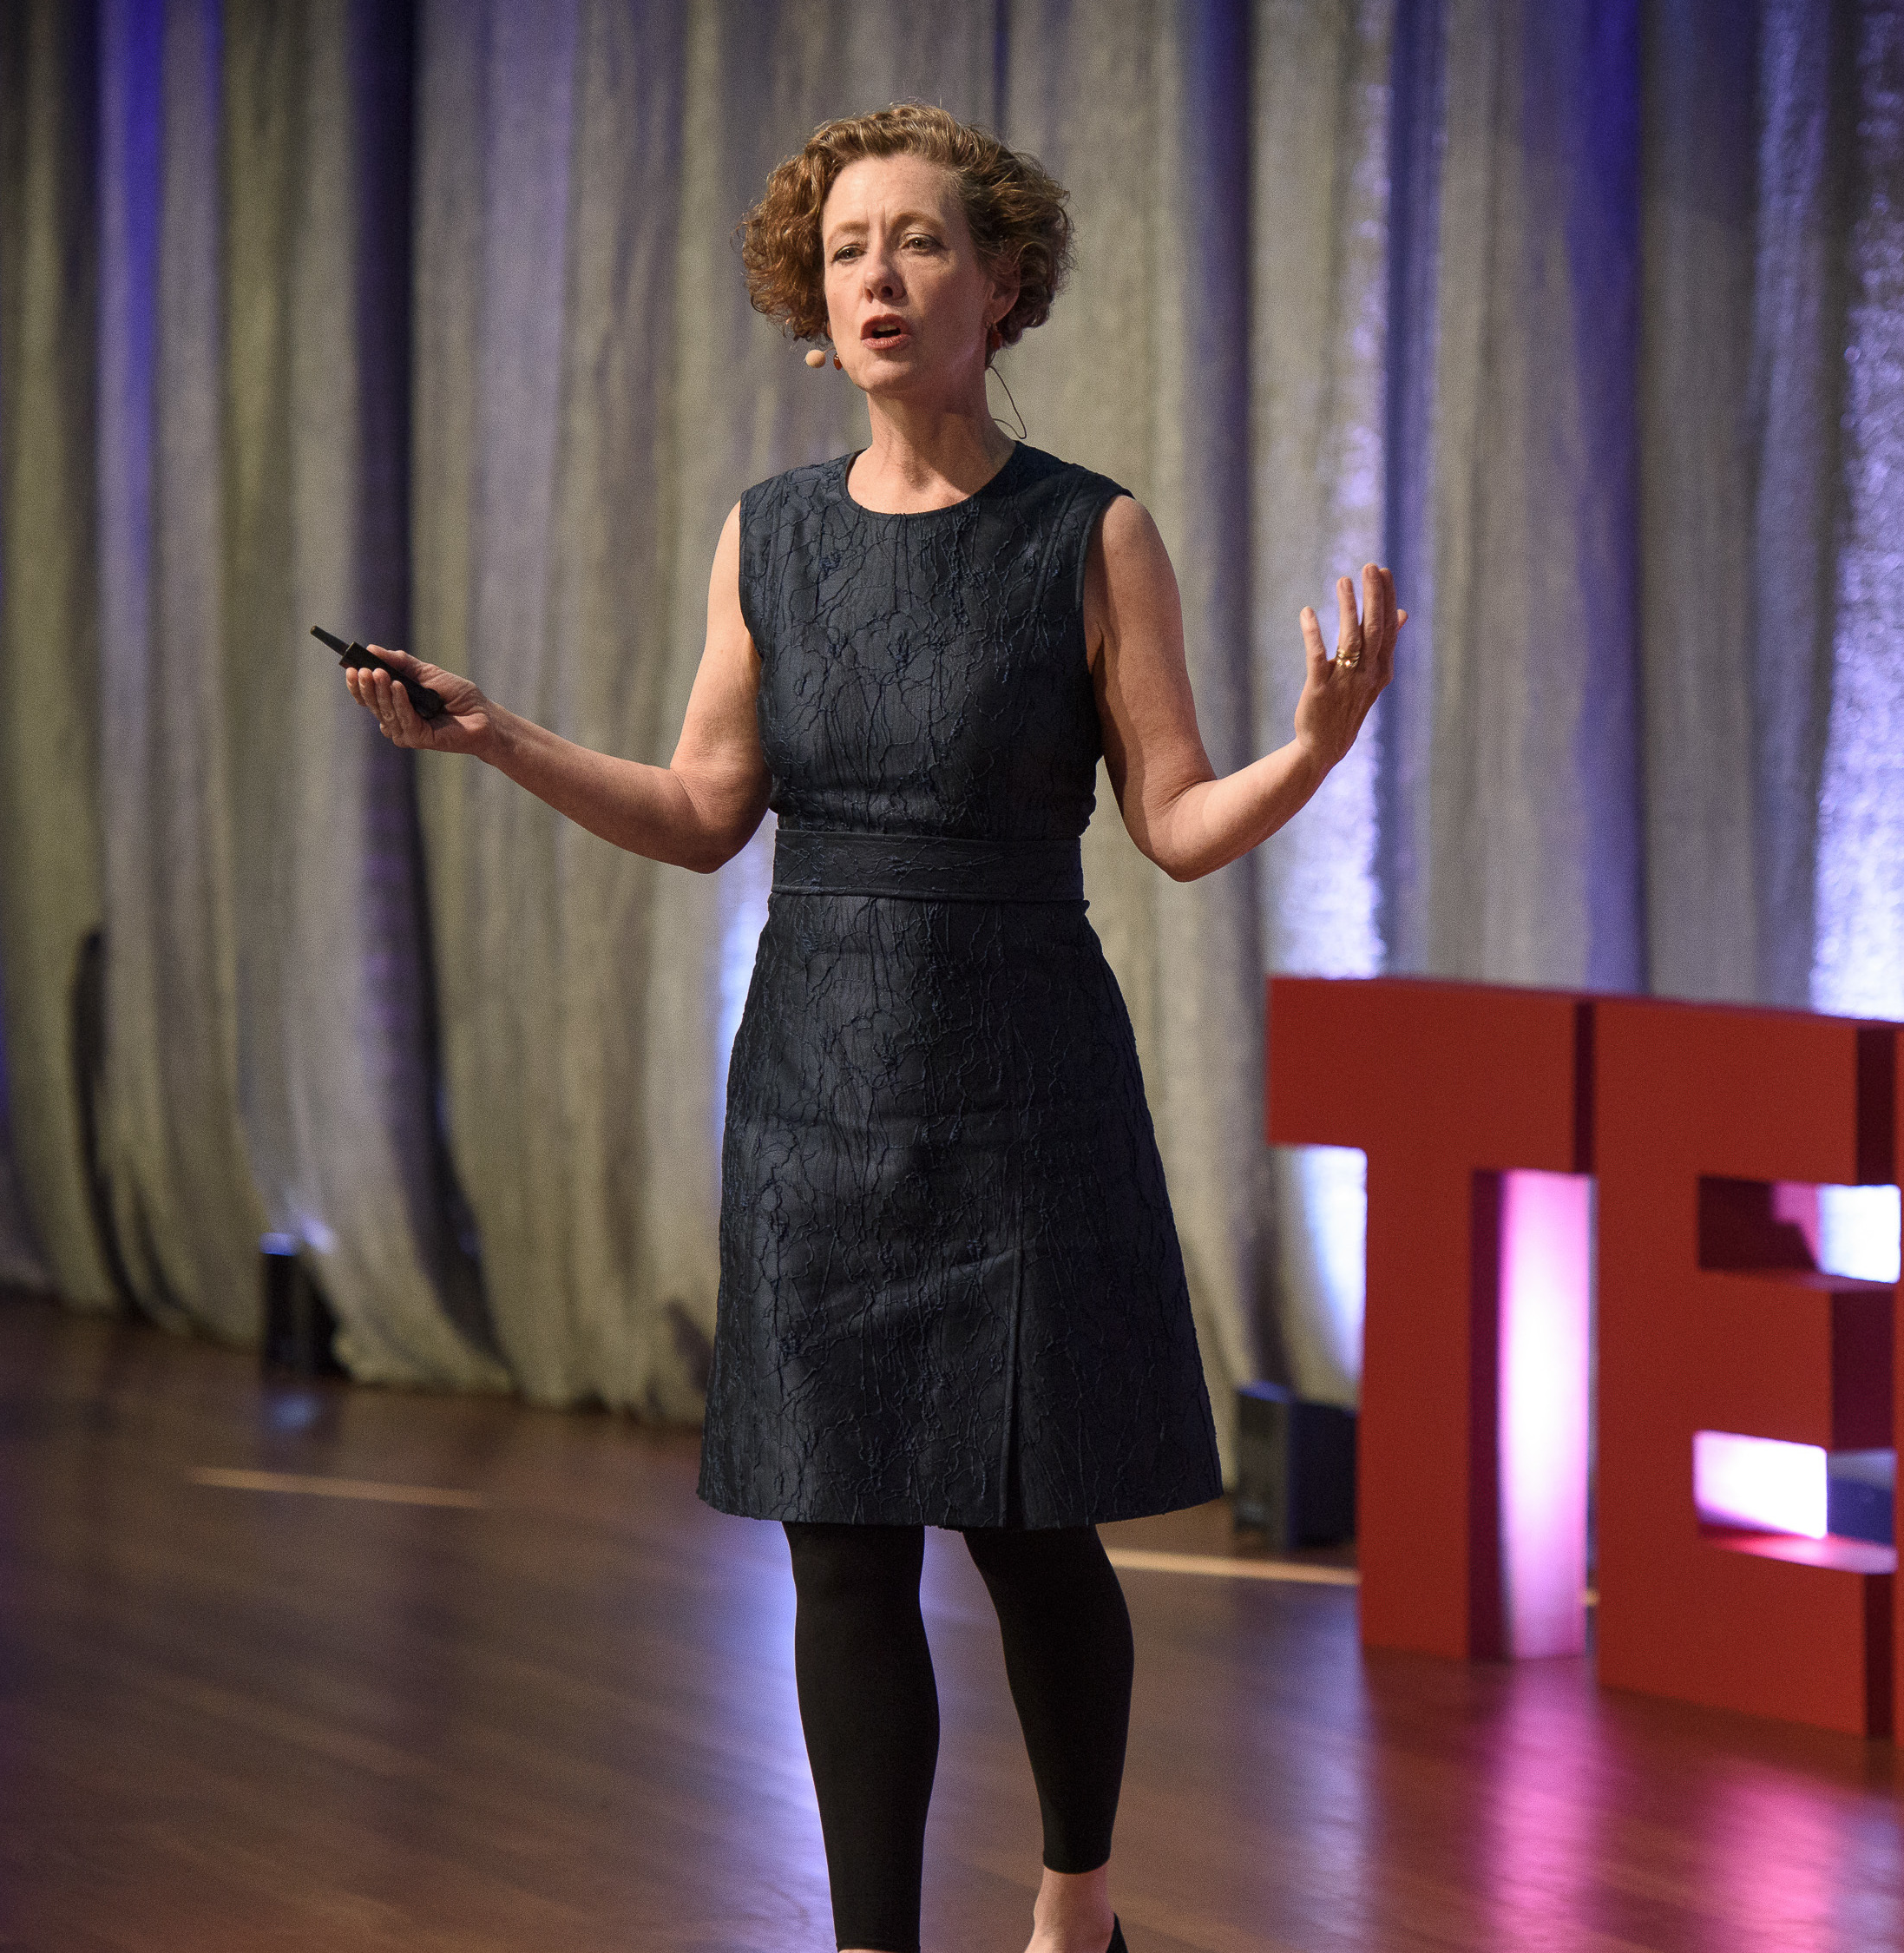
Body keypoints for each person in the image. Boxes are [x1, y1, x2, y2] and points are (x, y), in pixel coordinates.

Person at [338, 101, 1400, 1953]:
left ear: (1000, 285)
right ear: (809, 305)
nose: (881, 275)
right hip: (820, 1086)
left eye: (919, 241)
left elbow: (1170, 823)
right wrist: (492, 732)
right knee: (840, 1542)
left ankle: (1076, 1900)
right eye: (846, 250)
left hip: (1024, 1084)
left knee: (1029, 1527)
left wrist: (1310, 749)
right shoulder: (767, 540)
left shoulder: (1092, 532)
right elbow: (696, 814)